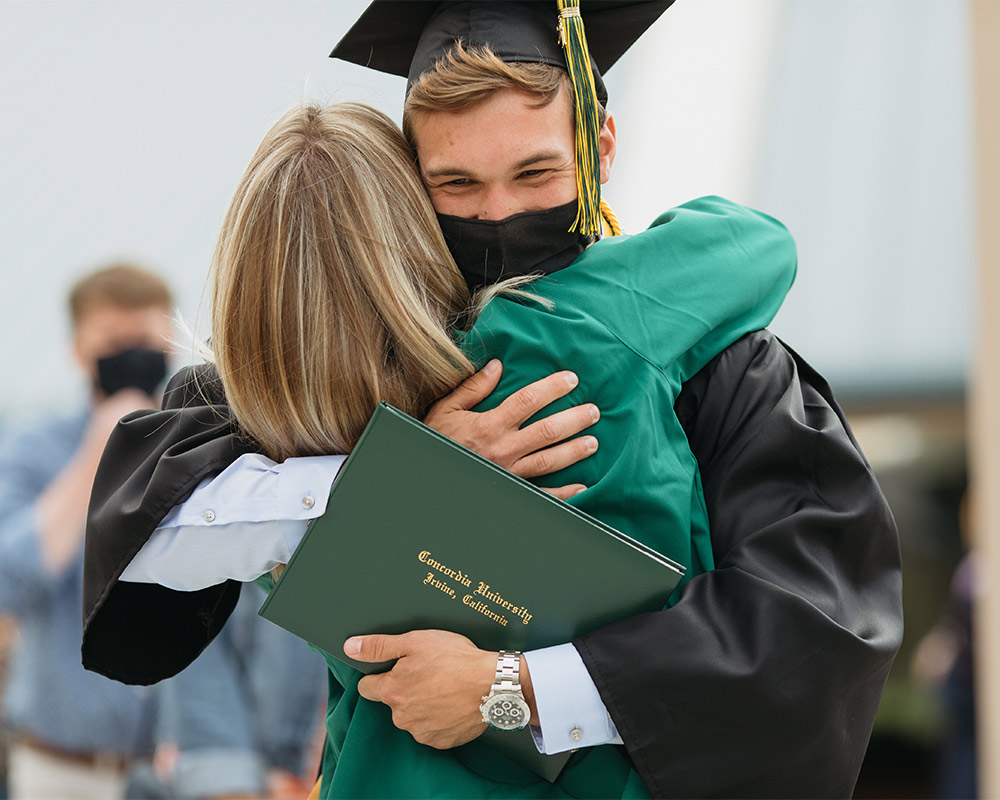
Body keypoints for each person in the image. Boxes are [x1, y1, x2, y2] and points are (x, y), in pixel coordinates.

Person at [83, 2, 903, 797]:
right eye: (457, 184)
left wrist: (513, 689)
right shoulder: (361, 353)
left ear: (599, 145)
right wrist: (396, 478)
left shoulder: (723, 364)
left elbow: (810, 620)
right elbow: (147, 530)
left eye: (535, 171)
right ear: (410, 181)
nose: (501, 213)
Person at [0, 263, 170, 799]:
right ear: (80, 350)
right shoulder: (34, 450)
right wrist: (100, 447)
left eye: (147, 341)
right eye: (115, 343)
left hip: (178, 774)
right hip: (62, 769)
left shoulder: (202, 446)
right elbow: (10, 580)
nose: (134, 357)